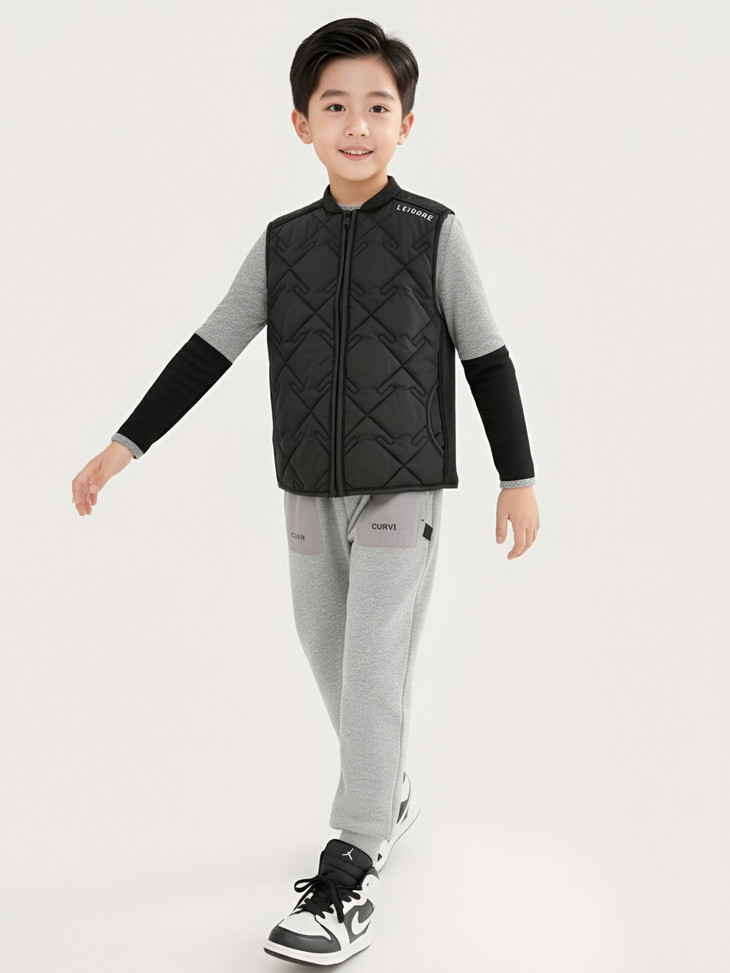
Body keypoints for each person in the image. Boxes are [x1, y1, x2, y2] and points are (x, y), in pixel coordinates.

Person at [71, 17, 540, 968]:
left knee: (371, 667)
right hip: (306, 492)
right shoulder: (282, 244)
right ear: (302, 124)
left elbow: (488, 357)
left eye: (378, 107)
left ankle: (351, 864)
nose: (357, 125)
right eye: (335, 106)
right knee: (329, 654)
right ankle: (386, 788)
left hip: (403, 486)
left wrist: (518, 476)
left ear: (406, 123)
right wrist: (125, 444)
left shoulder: (435, 233)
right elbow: (209, 348)